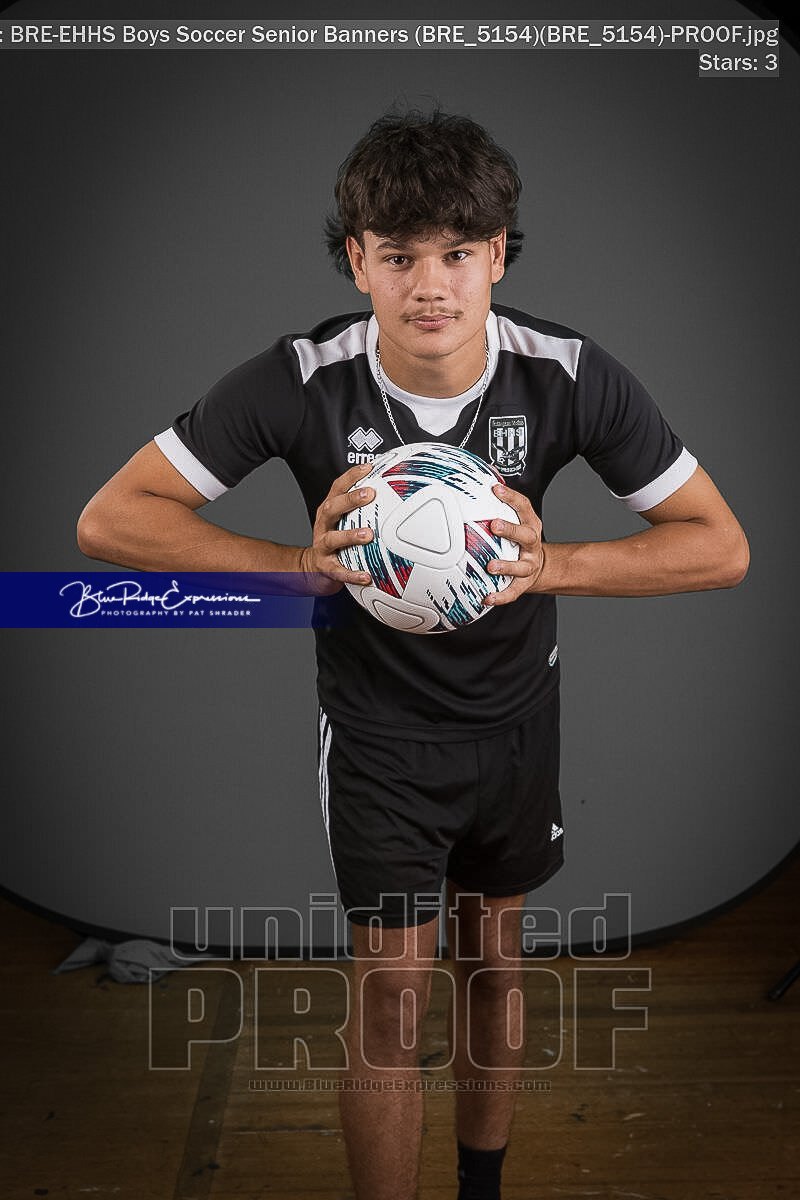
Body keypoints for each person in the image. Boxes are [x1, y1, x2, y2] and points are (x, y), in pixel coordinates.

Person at [77, 109, 749, 1200]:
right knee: (391, 994)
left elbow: (720, 547)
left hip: (515, 725)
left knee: (494, 968)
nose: (429, 286)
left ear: (497, 255)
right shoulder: (302, 378)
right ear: (358, 262)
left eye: (456, 254)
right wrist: (297, 567)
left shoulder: (566, 373)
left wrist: (552, 565)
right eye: (398, 257)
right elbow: (111, 520)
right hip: (381, 736)